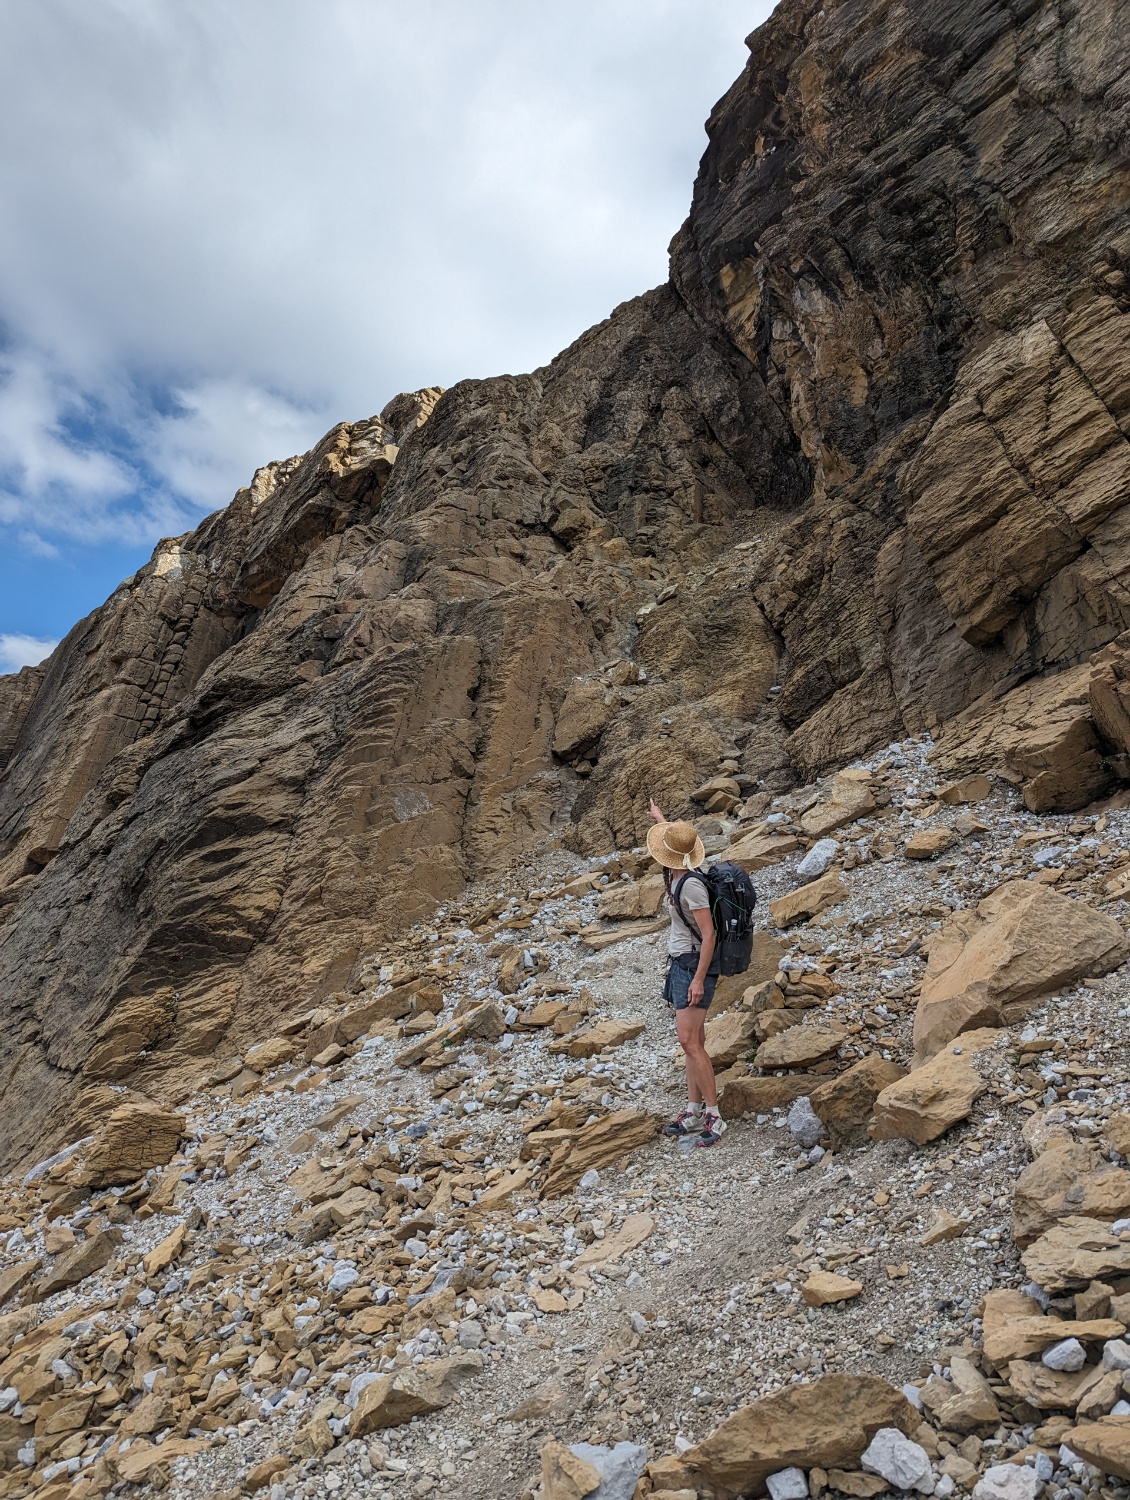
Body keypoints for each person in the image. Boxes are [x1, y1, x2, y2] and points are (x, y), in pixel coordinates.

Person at [646, 798, 727, 1147]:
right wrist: (660, 819)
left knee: (689, 1042)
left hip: (693, 966)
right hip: (683, 964)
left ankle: (713, 1115)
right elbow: (675, 843)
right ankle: (693, 1109)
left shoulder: (691, 885)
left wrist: (697, 980)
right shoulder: (678, 874)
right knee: (693, 1042)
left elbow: (709, 935)